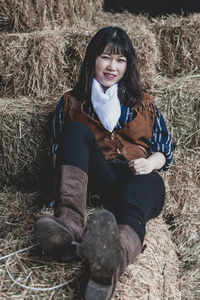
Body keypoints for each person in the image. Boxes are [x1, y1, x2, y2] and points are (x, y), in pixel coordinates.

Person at [34, 26, 173, 300]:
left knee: (135, 200)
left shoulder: (144, 103)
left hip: (139, 179)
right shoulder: (71, 102)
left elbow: (165, 150)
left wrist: (150, 162)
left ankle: (108, 265)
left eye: (120, 60)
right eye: (106, 57)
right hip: (100, 180)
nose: (112, 67)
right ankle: (68, 227)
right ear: (92, 60)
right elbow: (57, 152)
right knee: (75, 132)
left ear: (128, 65)